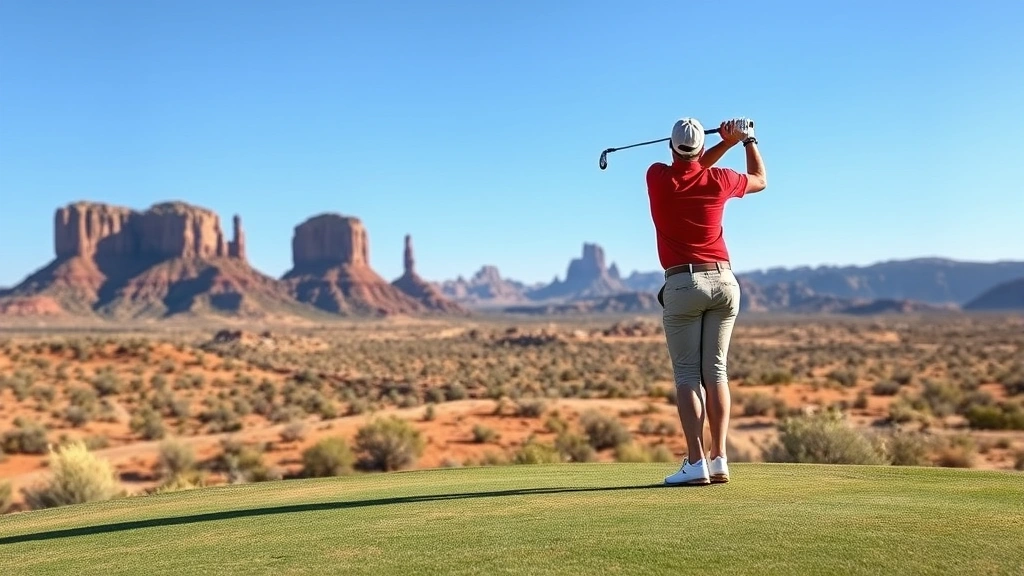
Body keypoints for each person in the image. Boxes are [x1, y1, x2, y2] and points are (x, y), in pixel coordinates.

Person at [646, 116, 767, 485]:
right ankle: (720, 460)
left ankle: (695, 462)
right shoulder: (719, 180)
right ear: (701, 148)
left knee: (686, 375)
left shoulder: (656, 176)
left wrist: (725, 143)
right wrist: (745, 140)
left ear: (670, 148)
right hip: (725, 282)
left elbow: (688, 169)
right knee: (716, 371)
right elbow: (760, 180)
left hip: (683, 284)